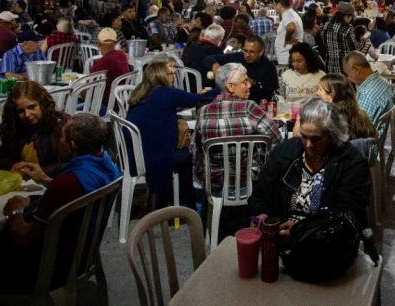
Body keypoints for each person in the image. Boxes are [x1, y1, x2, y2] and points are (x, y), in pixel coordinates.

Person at [0, 114, 120, 302]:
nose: (58, 141)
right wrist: (46, 179)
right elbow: (77, 195)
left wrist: (15, 211)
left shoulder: (68, 183)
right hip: (79, 257)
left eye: (61, 137)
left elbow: (24, 241)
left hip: (46, 270)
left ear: (72, 145)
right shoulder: (107, 167)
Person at [249, 98, 371, 232]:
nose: (308, 145)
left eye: (316, 139)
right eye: (304, 136)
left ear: (332, 135)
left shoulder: (351, 162)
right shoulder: (285, 153)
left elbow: (348, 215)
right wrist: (262, 214)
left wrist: (303, 229)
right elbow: (261, 195)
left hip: (326, 240)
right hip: (281, 234)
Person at [193, 63, 281, 238]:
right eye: (245, 82)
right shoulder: (250, 108)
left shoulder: (203, 112)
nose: (249, 85)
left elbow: (196, 151)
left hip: (216, 186)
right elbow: (276, 137)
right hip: (250, 184)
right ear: (230, 86)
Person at [126, 60, 216, 206]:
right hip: (156, 157)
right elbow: (199, 99)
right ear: (161, 76)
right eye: (170, 74)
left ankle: (176, 199)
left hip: (136, 156)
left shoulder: (140, 92)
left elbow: (160, 110)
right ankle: (184, 203)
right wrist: (223, 87)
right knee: (193, 155)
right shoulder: (165, 93)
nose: (173, 77)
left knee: (186, 155)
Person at [0, 81, 69, 178]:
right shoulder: (15, 127)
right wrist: (14, 166)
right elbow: (2, 158)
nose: (27, 115)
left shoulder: (62, 125)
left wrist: (43, 171)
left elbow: (76, 163)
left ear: (42, 104)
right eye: (20, 111)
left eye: (31, 107)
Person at [206, 35, 278, 103]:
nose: (247, 55)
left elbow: (267, 96)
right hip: (228, 98)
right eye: (245, 51)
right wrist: (215, 66)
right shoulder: (237, 57)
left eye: (251, 52)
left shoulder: (269, 67)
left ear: (261, 52)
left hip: (252, 102)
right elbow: (208, 58)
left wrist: (253, 83)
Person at [341, 51, 394, 133]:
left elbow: (359, 129)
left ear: (356, 69)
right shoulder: (384, 82)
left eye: (347, 74)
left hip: (365, 142)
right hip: (373, 136)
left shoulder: (367, 94)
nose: (348, 78)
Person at [312, 74, 376, 139]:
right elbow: (375, 136)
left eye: (320, 90)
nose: (317, 93)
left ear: (331, 95)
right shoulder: (361, 115)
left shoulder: (329, 119)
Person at [90, 28, 130, 109]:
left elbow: (89, 89)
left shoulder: (104, 61)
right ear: (115, 43)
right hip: (121, 103)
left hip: (105, 107)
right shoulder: (121, 56)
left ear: (98, 43)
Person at [320, 1, 357, 73]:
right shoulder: (348, 28)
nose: (351, 19)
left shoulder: (327, 25)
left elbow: (324, 41)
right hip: (343, 67)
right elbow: (353, 49)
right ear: (346, 16)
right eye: (351, 17)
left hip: (328, 65)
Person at [273, 0, 303, 67]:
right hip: (288, 56)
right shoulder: (291, 13)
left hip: (286, 58)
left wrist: (287, 39)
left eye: (274, 4)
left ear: (279, 5)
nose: (274, 7)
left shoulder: (286, 14)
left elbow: (291, 27)